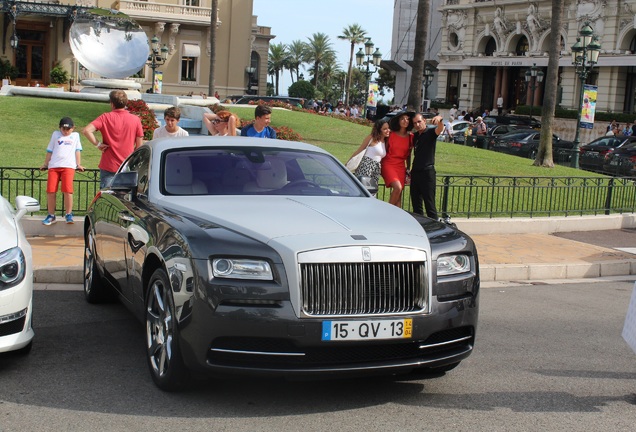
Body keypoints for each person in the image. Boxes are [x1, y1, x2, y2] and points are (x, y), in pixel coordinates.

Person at [83, 90, 144, 189]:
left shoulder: (105, 118)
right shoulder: (135, 120)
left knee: (107, 200)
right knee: (125, 201)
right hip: (127, 166)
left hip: (109, 165)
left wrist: (98, 144)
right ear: (125, 103)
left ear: (112, 104)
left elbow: (86, 130)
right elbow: (139, 146)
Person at [40, 117, 84, 225]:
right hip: (54, 166)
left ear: (73, 128)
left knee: (67, 190)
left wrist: (78, 164)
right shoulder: (55, 134)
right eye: (63, 129)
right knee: (51, 191)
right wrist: (45, 164)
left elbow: (77, 150)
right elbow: (50, 150)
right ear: (59, 128)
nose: (65, 131)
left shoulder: (75, 136)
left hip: (68, 166)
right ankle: (51, 215)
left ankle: (68, 214)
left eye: (68, 129)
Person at [409, 113, 444, 219]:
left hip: (427, 173)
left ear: (424, 120)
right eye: (415, 123)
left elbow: (440, 129)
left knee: (430, 205)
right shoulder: (415, 136)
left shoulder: (430, 132)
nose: (417, 124)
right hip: (415, 173)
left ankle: (434, 231)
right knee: (416, 205)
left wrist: (440, 119)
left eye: (419, 121)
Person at [381, 111, 414, 207]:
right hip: (388, 164)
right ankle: (387, 211)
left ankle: (396, 219)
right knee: (398, 188)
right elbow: (384, 150)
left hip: (401, 166)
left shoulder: (410, 137)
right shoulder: (391, 134)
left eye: (407, 119)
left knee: (398, 197)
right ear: (398, 121)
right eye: (402, 119)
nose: (405, 121)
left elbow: (409, 154)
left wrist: (408, 167)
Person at [348, 119, 389, 188]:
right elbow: (359, 150)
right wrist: (348, 163)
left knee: (372, 189)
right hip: (366, 164)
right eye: (385, 129)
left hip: (376, 167)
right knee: (363, 188)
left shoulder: (385, 141)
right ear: (379, 129)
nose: (388, 130)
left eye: (388, 128)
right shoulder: (372, 138)